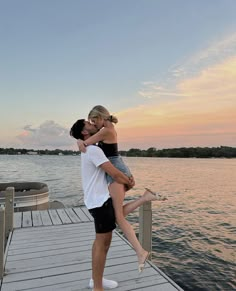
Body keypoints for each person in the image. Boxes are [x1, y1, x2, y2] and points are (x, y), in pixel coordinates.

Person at [70, 119, 162, 291]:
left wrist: (125, 180)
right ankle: (97, 287)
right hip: (99, 202)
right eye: (88, 123)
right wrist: (129, 182)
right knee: (102, 243)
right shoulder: (93, 150)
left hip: (97, 200)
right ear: (84, 132)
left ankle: (96, 279)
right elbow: (113, 172)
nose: (92, 124)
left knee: (103, 239)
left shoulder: (88, 148)